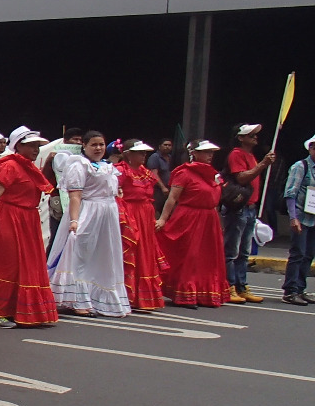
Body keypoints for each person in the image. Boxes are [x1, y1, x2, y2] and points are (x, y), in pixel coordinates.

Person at [46, 131, 130, 317]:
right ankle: (77, 300)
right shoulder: (79, 165)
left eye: (101, 144)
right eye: (94, 144)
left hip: (107, 215)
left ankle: (97, 297)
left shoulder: (107, 166)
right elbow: (75, 196)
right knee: (81, 256)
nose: (98, 148)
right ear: (84, 145)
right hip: (88, 213)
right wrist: (74, 221)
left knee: (104, 256)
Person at [0, 126, 58, 327]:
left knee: (26, 264)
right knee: (6, 264)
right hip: (8, 218)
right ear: (18, 146)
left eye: (37, 146)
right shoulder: (9, 165)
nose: (36, 149)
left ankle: (19, 310)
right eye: (31, 145)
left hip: (28, 219)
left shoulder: (28, 166)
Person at [155, 140, 232, 307]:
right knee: (190, 256)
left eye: (211, 152)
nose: (210, 155)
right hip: (189, 218)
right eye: (206, 152)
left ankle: (204, 293)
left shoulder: (213, 174)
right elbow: (172, 198)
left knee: (208, 258)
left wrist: (219, 222)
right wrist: (163, 219)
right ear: (194, 153)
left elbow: (215, 201)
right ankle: (185, 292)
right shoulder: (184, 173)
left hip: (209, 219)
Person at [223, 124, 276, 303]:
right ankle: (229, 286)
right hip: (238, 208)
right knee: (232, 251)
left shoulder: (250, 155)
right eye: (251, 134)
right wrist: (263, 164)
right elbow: (241, 178)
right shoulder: (236, 154)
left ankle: (241, 286)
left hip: (250, 207)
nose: (255, 137)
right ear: (240, 137)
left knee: (244, 252)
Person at [281, 133, 315, 305]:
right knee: (298, 253)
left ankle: (300, 288)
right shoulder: (300, 166)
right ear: (310, 149)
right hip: (301, 217)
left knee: (309, 255)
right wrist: (293, 217)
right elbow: (290, 193)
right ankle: (290, 291)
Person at [115, 140, 167, 312]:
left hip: (145, 216)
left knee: (145, 253)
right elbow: (115, 194)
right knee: (132, 251)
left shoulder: (145, 172)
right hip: (130, 214)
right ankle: (128, 294)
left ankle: (144, 295)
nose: (143, 155)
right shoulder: (121, 171)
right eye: (139, 152)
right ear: (128, 154)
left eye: (144, 153)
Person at [147, 138, 175, 213]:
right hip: (157, 190)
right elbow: (153, 173)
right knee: (154, 211)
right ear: (160, 146)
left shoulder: (170, 158)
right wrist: (163, 187)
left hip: (169, 189)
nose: (167, 147)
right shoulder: (155, 157)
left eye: (169, 145)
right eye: (165, 145)